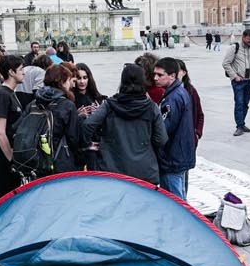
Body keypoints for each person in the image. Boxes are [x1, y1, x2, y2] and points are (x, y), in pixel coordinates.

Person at [81, 64, 166, 185]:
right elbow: (161, 139)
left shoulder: (109, 105)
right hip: (144, 169)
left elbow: (88, 124)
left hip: (112, 167)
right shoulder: (151, 108)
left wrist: (88, 144)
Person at [154, 57, 196, 198]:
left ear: (172, 75)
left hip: (172, 158)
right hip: (180, 155)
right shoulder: (179, 92)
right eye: (155, 74)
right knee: (180, 198)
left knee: (175, 203)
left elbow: (164, 131)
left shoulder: (172, 98)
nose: (155, 78)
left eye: (160, 75)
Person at [0, 54, 25, 198]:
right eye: (21, 69)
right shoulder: (3, 95)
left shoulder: (11, 93)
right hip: (3, 157)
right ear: (11, 72)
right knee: (2, 198)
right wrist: (11, 158)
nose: (24, 72)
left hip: (11, 154)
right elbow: (0, 132)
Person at [223, 28, 250, 136]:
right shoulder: (235, 47)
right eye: (248, 39)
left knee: (245, 103)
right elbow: (225, 63)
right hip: (239, 81)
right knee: (239, 103)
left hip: (249, 80)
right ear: (243, 37)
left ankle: (242, 123)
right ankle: (239, 126)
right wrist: (234, 76)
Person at [72, 62, 106, 168]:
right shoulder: (70, 99)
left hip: (96, 146)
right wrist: (76, 116)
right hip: (79, 149)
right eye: (78, 78)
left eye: (85, 77)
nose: (82, 81)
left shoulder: (97, 97)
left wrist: (99, 113)